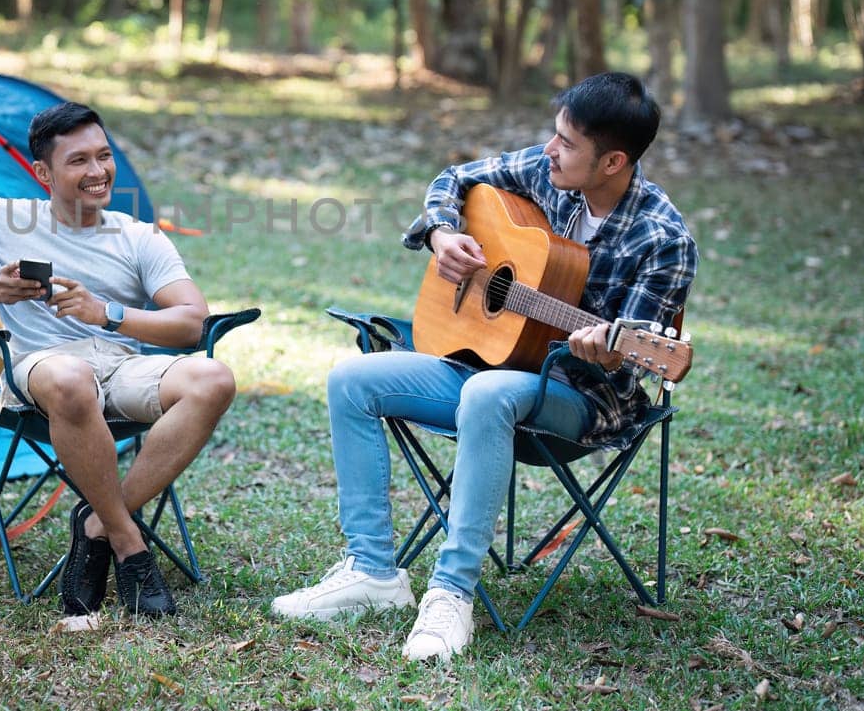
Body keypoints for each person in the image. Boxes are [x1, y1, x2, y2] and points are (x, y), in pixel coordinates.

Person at [270, 72, 697, 661]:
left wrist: (604, 344)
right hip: (490, 366)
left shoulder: (663, 238)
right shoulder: (550, 172)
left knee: (489, 393)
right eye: (554, 135)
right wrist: (444, 233)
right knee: (352, 381)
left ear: (613, 161)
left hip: (581, 398)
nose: (550, 149)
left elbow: (634, 361)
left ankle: (451, 593)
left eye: (567, 143)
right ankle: (372, 573)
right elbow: (455, 178)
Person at [0, 102, 236, 618]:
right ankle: (130, 547)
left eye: (103, 156)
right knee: (70, 378)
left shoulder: (137, 234)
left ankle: (97, 525)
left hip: (120, 361)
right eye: (78, 160)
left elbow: (191, 321)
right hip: (39, 365)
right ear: (43, 172)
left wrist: (106, 313)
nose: (97, 171)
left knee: (213, 378)